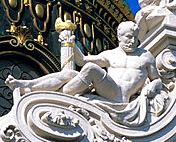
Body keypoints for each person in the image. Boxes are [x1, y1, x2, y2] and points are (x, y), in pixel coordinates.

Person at [9, 21, 162, 104]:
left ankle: (52, 95)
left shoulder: (146, 56)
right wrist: (70, 42)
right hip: (106, 88)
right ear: (119, 37)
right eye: (128, 37)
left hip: (120, 95)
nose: (132, 41)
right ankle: (28, 86)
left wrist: (152, 87)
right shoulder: (111, 54)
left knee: (91, 69)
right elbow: (80, 60)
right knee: (69, 73)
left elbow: (157, 80)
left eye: (135, 38)